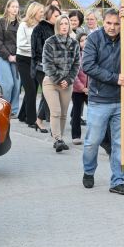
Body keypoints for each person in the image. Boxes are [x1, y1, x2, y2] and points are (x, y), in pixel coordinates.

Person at [82, 7, 124, 195]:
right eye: (108, 23)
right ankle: (89, 170)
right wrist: (114, 78)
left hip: (122, 99)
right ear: (103, 22)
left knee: (120, 143)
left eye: (116, 24)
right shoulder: (94, 39)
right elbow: (88, 65)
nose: (112, 27)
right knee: (93, 141)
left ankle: (118, 180)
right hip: (99, 99)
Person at [41, 14, 80, 152]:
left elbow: (76, 64)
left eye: (66, 23)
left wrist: (68, 80)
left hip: (67, 84)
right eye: (61, 24)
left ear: (69, 26)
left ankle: (60, 138)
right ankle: (57, 139)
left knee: (63, 113)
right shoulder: (50, 42)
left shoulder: (74, 43)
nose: (64, 26)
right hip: (51, 82)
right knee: (56, 111)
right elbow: (47, 64)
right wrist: (58, 79)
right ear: (57, 26)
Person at [32, 5, 61, 132]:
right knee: (48, 94)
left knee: (48, 94)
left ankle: (41, 120)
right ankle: (39, 121)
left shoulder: (56, 28)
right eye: (56, 16)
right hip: (41, 67)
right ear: (49, 16)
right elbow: (37, 50)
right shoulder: (39, 29)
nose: (58, 18)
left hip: (53, 67)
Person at [17, 2, 44, 129]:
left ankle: (22, 115)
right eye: (41, 11)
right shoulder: (23, 25)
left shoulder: (41, 26)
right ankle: (31, 120)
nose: (42, 14)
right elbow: (21, 44)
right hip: (23, 60)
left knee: (32, 88)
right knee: (31, 90)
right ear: (34, 12)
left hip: (35, 61)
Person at [0, 0, 21, 118]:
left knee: (17, 84)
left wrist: (17, 55)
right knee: (7, 84)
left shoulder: (20, 23)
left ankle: (13, 110)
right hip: (3, 56)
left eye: (17, 7)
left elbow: (22, 41)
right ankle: (4, 108)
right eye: (13, 6)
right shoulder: (1, 22)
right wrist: (8, 55)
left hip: (17, 56)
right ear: (8, 8)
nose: (15, 9)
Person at [70, 33, 89, 145]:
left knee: (95, 113)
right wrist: (82, 88)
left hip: (91, 90)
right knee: (77, 113)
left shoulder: (93, 54)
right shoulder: (76, 55)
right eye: (82, 40)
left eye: (86, 39)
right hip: (78, 90)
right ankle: (76, 136)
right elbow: (74, 74)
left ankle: (95, 136)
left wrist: (90, 88)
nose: (85, 42)